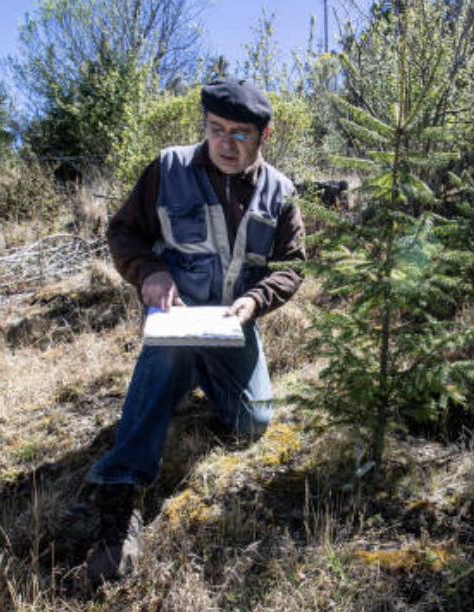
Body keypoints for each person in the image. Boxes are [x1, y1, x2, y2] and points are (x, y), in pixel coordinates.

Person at [82, 78, 306, 584]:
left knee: (253, 422)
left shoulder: (280, 192)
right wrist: (150, 272)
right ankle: (120, 496)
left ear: (264, 136)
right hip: (175, 322)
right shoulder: (168, 169)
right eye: (216, 129)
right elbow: (123, 232)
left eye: (240, 133)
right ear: (204, 125)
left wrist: (256, 300)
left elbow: (291, 265)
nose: (226, 143)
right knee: (169, 354)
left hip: (231, 325)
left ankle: (194, 375)